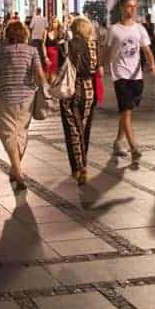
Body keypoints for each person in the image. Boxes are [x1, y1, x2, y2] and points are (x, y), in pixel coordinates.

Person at [0, 20, 47, 192]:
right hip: (27, 97)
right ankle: (16, 169)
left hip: (5, 96)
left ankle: (17, 171)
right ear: (24, 34)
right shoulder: (32, 51)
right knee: (21, 133)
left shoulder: (1, 51)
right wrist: (43, 89)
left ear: (8, 35)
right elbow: (39, 74)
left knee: (7, 133)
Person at [106, 0, 155, 161]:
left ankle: (118, 141)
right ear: (122, 8)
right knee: (126, 110)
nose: (132, 9)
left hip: (136, 75)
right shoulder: (114, 29)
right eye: (129, 6)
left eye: (134, 6)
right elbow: (105, 50)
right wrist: (100, 66)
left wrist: (152, 65)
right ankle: (134, 146)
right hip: (120, 74)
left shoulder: (139, 29)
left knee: (126, 111)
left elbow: (146, 50)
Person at [62, 16, 100, 185]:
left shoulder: (68, 45)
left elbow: (62, 67)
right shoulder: (95, 46)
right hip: (90, 91)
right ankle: (80, 165)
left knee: (73, 131)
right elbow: (97, 69)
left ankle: (79, 167)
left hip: (72, 91)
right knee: (85, 130)